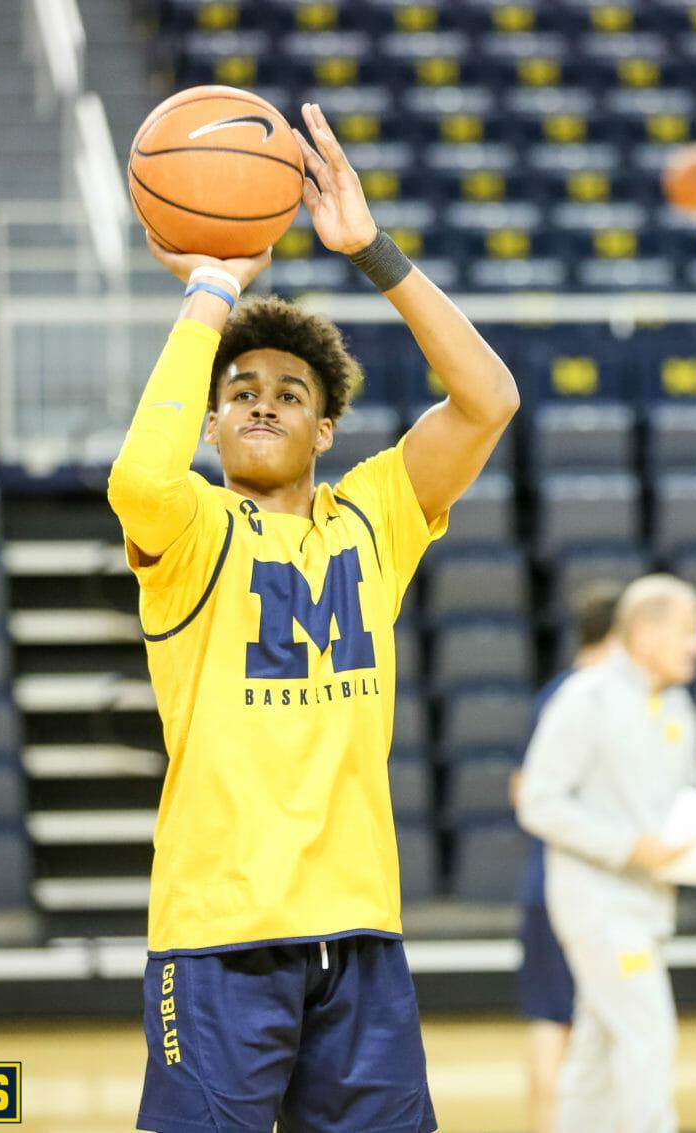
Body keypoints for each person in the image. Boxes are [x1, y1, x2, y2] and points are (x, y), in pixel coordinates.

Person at [109, 102, 518, 1133]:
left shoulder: (375, 514)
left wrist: (371, 251)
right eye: (239, 391)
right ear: (210, 422)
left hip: (360, 929)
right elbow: (138, 476)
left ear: (325, 428)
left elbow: (488, 400)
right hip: (218, 933)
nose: (260, 401)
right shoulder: (192, 527)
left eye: (289, 393)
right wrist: (211, 291)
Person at [516, 574, 696, 1133]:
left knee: (596, 1051)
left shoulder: (679, 708)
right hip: (596, 904)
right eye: (689, 631)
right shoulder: (585, 699)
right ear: (645, 634)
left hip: (649, 905)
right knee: (649, 1034)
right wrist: (629, 847)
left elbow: (681, 807)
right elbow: (537, 802)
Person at [514, 581, 623, 1133]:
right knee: (577, 1022)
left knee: (552, 1018)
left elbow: (520, 785)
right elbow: (528, 793)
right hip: (578, 885)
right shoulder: (597, 697)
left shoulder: (555, 692)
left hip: (550, 883)